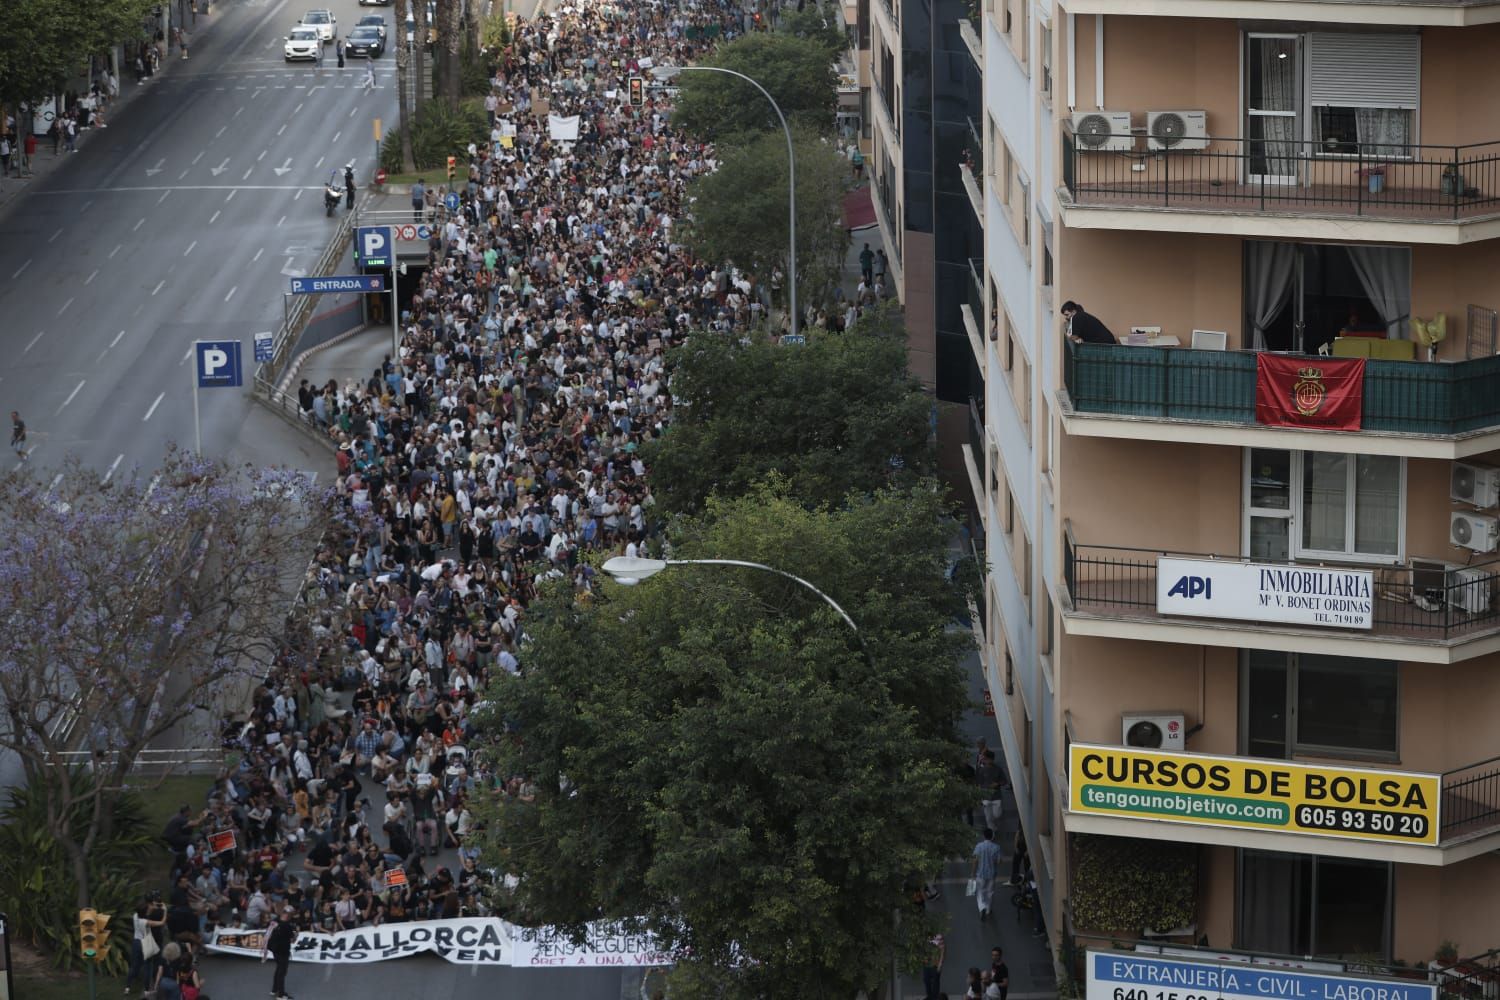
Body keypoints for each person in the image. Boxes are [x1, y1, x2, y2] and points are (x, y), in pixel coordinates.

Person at [262, 904, 297, 999]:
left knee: (278, 969)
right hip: (283, 951)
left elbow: (268, 933)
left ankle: (274, 989)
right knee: (282, 972)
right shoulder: (287, 926)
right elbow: (292, 939)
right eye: (291, 915)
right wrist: (296, 934)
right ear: (289, 914)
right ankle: (281, 995)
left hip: (274, 950)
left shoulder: (275, 921)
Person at [970, 826, 1002, 920]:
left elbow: (975, 860)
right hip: (992, 874)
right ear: (992, 836)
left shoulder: (979, 846)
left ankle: (982, 907)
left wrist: (972, 873)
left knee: (980, 892)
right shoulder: (997, 847)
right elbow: (999, 861)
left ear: (984, 836)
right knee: (990, 892)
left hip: (980, 874)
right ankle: (988, 910)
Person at [921, 932, 945, 1000]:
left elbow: (942, 951)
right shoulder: (924, 943)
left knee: (935, 983)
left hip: (935, 965)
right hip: (926, 965)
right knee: (926, 981)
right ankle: (929, 997)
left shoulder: (937, 939)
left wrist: (940, 964)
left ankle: (935, 998)